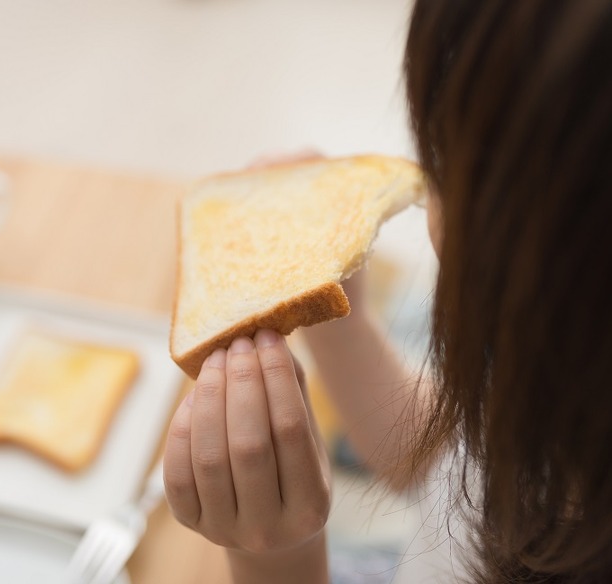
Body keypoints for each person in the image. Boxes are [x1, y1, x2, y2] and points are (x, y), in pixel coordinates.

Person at [162, 0, 612, 582]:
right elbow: (435, 464)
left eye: (445, 167)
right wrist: (337, 318)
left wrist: (276, 559)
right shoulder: (554, 371)